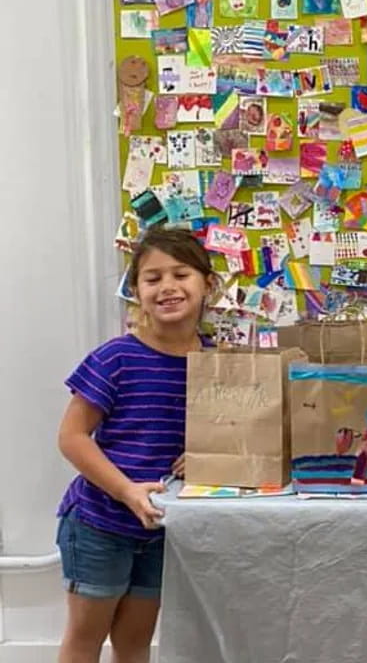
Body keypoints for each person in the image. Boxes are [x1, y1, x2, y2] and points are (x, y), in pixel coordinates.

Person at [56, 227, 215, 663]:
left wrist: (208, 456)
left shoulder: (219, 363)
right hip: (100, 524)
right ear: (136, 291)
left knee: (136, 641)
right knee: (86, 637)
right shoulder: (115, 359)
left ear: (207, 285)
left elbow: (227, 434)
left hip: (162, 526)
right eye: (152, 278)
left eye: (181, 274)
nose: (167, 287)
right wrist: (126, 490)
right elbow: (71, 437)